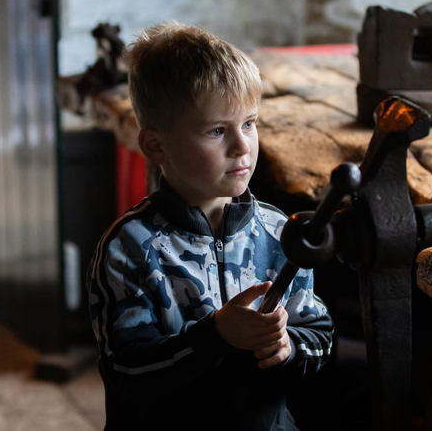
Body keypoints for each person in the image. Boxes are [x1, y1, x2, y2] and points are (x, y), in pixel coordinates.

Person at [88, 21, 334, 430]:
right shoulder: (129, 249)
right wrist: (216, 335)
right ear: (155, 145)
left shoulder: (280, 234)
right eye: (217, 130)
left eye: (250, 124)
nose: (242, 146)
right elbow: (126, 371)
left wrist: (289, 347)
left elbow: (320, 336)